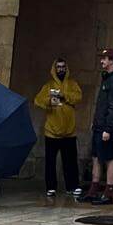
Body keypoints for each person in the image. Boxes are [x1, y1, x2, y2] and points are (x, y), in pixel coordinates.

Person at [34, 58, 83, 198]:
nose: (61, 69)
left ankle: (72, 186)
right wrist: (49, 101)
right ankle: (51, 187)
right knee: (50, 161)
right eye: (58, 67)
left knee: (70, 161)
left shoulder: (72, 84)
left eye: (63, 67)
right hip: (52, 131)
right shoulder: (48, 85)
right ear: (54, 69)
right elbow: (38, 100)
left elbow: (78, 97)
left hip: (69, 130)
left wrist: (64, 95)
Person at [80, 48, 113, 205]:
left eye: (105, 58)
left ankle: (108, 192)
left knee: (109, 158)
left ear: (112, 61)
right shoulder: (106, 78)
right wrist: (96, 121)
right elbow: (101, 104)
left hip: (106, 127)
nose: (101, 61)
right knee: (96, 157)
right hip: (99, 125)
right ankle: (93, 189)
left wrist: (108, 128)